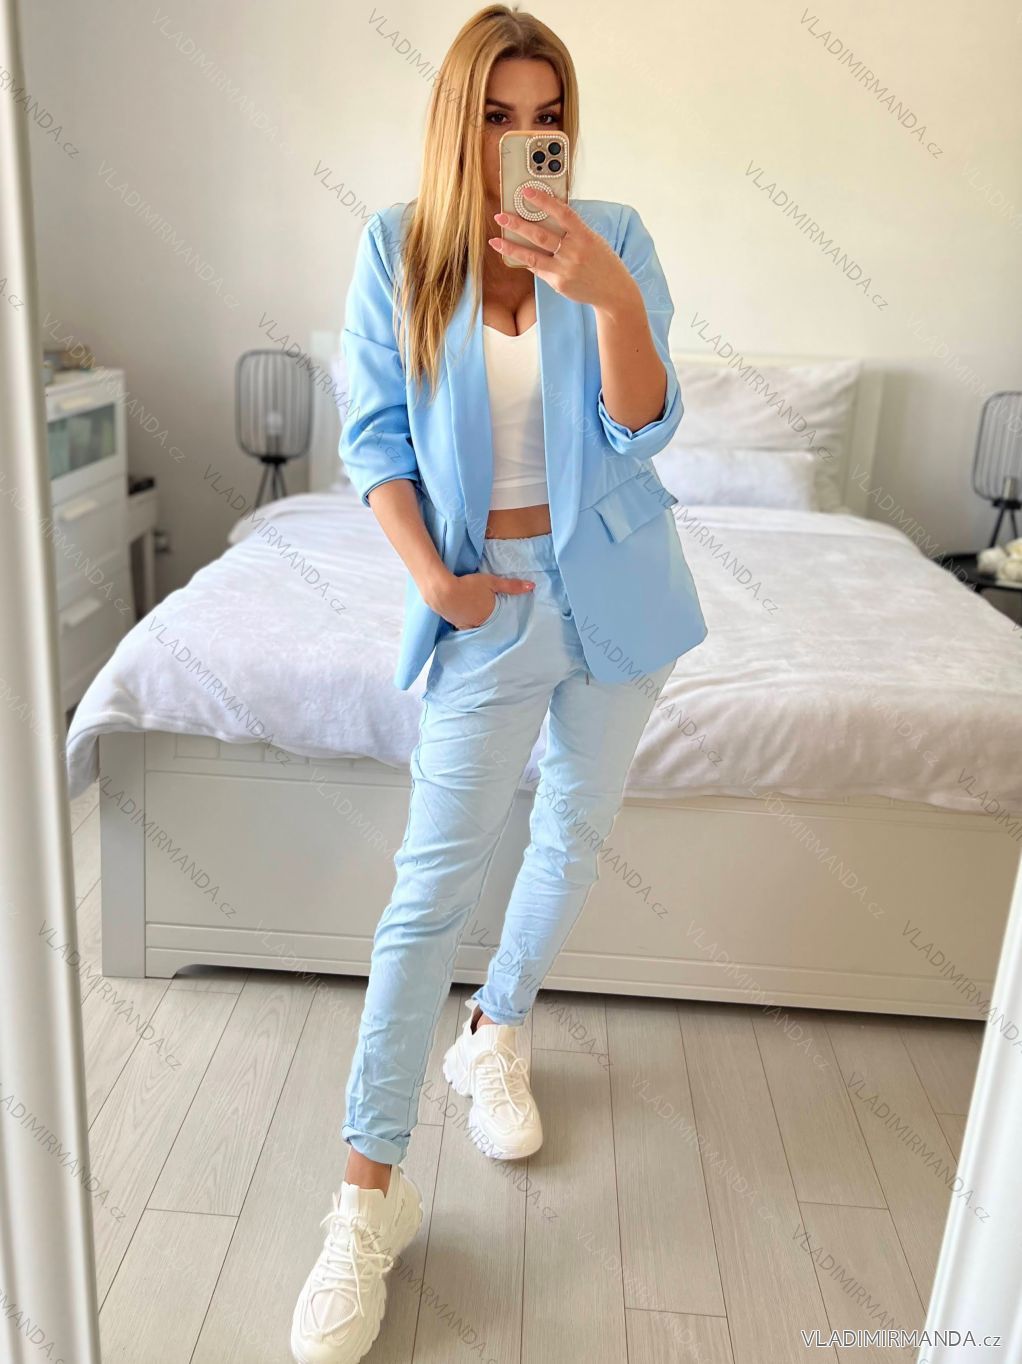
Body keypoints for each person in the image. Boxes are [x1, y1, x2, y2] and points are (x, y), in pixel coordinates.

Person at [290, 6, 707, 1361]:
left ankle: (501, 1030)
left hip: (620, 593)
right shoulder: (397, 248)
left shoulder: (612, 236)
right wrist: (439, 582)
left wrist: (612, 296)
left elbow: (638, 430)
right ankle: (365, 1202)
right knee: (425, 899)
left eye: (548, 119)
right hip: (486, 605)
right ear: (456, 121)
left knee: (572, 836)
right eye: (498, 116)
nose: (528, 141)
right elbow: (373, 438)